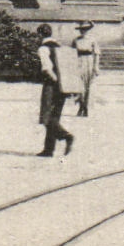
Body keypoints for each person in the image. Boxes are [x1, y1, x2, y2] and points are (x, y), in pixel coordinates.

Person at [35, 24, 74, 157]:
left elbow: (46, 68)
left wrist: (54, 80)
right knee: (55, 116)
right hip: (64, 86)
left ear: (40, 35)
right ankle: (49, 149)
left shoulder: (43, 48)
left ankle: (66, 136)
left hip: (51, 85)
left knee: (46, 116)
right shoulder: (60, 47)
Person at [71, 21, 99, 117]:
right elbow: (72, 52)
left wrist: (96, 66)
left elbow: (97, 53)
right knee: (79, 86)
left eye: (85, 29)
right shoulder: (76, 40)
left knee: (88, 86)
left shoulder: (92, 40)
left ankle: (86, 107)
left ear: (88, 30)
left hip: (89, 62)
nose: (83, 31)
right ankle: (81, 106)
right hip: (79, 61)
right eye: (82, 29)